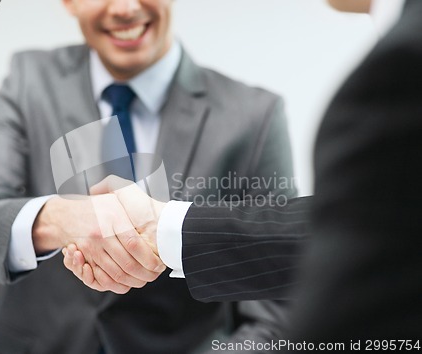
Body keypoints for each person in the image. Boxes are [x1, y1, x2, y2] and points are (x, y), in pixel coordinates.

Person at [0, 0, 300, 352]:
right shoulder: (31, 81)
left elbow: (276, 313)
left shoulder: (254, 116)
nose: (123, 8)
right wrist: (61, 218)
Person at [65, 0, 422, 342]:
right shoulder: (38, 97)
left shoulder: (399, 65)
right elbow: (354, 228)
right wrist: (162, 228)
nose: (124, 7)